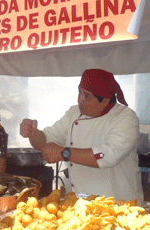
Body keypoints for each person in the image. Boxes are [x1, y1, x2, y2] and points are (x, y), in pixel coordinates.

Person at [20, 69, 143, 205]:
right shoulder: (73, 113)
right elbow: (45, 141)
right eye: (79, 92)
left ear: (105, 100)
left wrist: (64, 153)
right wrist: (33, 133)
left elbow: (108, 155)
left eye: (87, 96)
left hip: (120, 204)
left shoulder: (125, 117)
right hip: (81, 204)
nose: (80, 100)